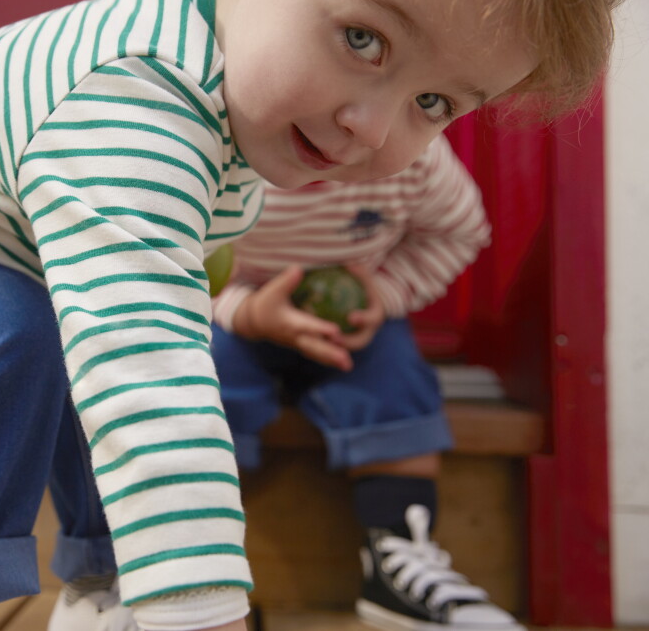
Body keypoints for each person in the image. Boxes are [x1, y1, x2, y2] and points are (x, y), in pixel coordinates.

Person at [0, 0, 641, 629]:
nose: (371, 128)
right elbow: (142, 362)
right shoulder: (138, 97)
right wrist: (201, 603)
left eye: (437, 103)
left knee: (77, 334)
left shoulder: (248, 92)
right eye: (363, 38)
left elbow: (159, 314)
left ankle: (109, 587)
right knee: (7, 339)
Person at [210, 133, 522, 630]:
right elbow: (171, 259)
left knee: (395, 379)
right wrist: (243, 312)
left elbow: (460, 232)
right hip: (234, 312)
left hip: (357, 321)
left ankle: (396, 557)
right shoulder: (221, 150)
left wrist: (385, 292)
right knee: (199, 388)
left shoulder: (412, 155)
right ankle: (193, 553)